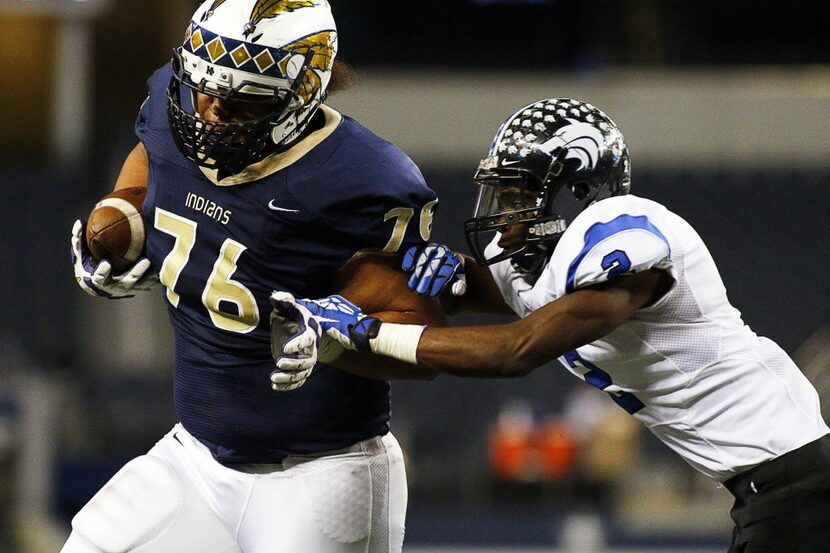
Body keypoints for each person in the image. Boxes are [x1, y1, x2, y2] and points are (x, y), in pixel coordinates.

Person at [273, 98, 830, 553]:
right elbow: (514, 296)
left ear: (579, 190)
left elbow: (518, 349)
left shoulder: (625, 240)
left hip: (798, 483)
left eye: (516, 195)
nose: (502, 215)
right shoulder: (548, 263)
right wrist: (457, 278)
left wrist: (367, 333)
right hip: (772, 485)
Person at [66, 1, 444, 552]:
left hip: (322, 472)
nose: (212, 115)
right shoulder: (180, 105)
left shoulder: (359, 179)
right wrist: (118, 220)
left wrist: (338, 338)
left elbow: (422, 330)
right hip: (194, 456)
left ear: (302, 94)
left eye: (240, 103)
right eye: (206, 94)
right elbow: (152, 158)